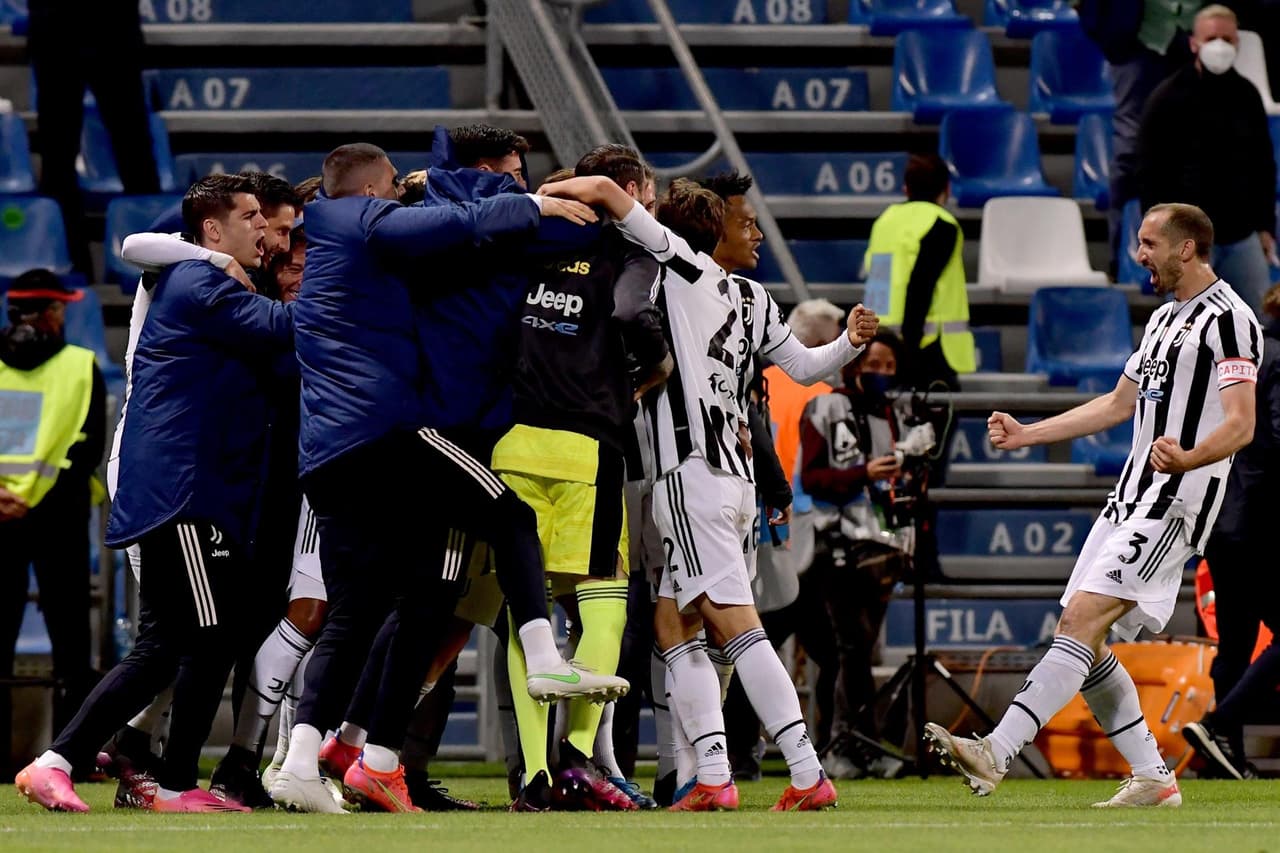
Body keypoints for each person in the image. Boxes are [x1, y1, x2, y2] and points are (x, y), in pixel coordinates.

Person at [271, 143, 624, 815]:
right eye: (389, 192)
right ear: (370, 188)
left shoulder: (348, 249)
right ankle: (542, 651)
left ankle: (311, 757)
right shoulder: (351, 218)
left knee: (378, 605)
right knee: (511, 519)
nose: (398, 201)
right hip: (389, 433)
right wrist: (525, 201)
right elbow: (440, 222)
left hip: (333, 454)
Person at [539, 173, 879, 811]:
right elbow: (806, 367)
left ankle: (806, 773)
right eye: (745, 222)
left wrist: (542, 197)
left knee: (734, 627)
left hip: (691, 475)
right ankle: (714, 778)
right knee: (675, 625)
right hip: (735, 483)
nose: (755, 233)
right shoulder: (752, 299)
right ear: (714, 229)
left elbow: (614, 196)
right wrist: (847, 344)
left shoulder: (683, 269)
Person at [925, 202, 1261, 808]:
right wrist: (1029, 433)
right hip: (1128, 500)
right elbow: (1114, 405)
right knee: (1088, 638)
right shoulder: (1162, 319)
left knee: (1081, 621)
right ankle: (1154, 779)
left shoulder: (1231, 322)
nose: (1139, 255)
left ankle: (996, 750)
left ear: (1186, 249)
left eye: (1149, 243)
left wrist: (1187, 457)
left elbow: (1241, 424)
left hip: (1175, 503)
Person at [16, 174, 294, 814]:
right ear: (214, 229)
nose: (261, 228)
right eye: (251, 216)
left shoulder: (199, 277)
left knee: (173, 641)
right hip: (179, 492)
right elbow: (287, 327)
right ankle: (168, 780)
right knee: (208, 636)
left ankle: (65, 761)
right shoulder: (202, 284)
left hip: (185, 490)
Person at [494, 143, 670, 813]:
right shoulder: (630, 252)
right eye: (644, 192)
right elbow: (632, 314)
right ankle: (576, 759)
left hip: (511, 439)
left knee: (528, 609)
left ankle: (533, 777)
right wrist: (649, 372)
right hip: (584, 444)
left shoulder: (529, 237)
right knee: (605, 601)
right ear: (625, 189)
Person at [800, 332, 927, 780]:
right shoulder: (824, 407)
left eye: (890, 366)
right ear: (853, 363)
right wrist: (863, 472)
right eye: (875, 363)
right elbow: (813, 478)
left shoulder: (900, 413)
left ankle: (851, 746)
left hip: (887, 545)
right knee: (848, 649)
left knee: (859, 649)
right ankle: (849, 745)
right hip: (837, 544)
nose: (882, 374)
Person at [0, 270, 105, 767]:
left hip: (6, 519)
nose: (63, 317)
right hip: (58, 519)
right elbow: (85, 451)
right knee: (71, 648)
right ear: (50, 314)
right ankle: (71, 760)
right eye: (60, 309)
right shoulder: (82, 366)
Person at [1182, 282, 1280, 779]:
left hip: (1221, 515)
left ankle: (1223, 761)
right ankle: (1219, 725)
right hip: (1261, 520)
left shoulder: (1245, 350)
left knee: (1236, 642)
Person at [1138, 5, 1276, 313]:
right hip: (1187, 242)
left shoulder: (1247, 96)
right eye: (1212, 37)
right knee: (1184, 330)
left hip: (1241, 235)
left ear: (1237, 43)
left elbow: (1263, 166)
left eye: (1227, 39)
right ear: (1194, 43)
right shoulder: (1166, 98)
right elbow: (1150, 173)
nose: (1220, 46)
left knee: (1259, 324)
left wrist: (1266, 227)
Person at [26, 0, 160, 278]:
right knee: (58, 160)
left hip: (112, 26)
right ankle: (67, 264)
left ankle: (155, 259)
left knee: (135, 154)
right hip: (55, 27)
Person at [1078, 0, 1198, 276]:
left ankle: (1186, 258)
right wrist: (1108, 33)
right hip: (1135, 44)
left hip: (1190, 46)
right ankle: (1122, 255)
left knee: (1189, 156)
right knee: (1130, 154)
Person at [863, 153, 974, 391]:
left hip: (879, 342)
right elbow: (920, 286)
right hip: (924, 347)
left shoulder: (885, 221)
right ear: (946, 189)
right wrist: (909, 351)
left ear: (906, 188)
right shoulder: (941, 223)